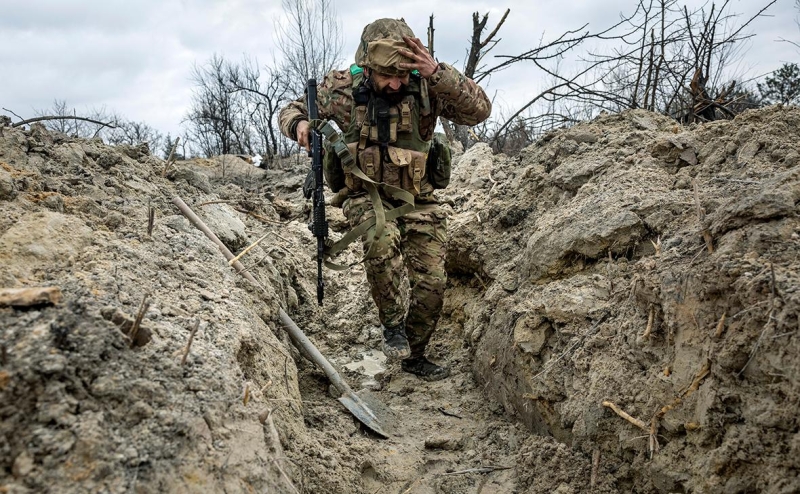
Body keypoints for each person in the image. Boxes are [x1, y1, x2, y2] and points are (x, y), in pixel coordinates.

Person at [279, 18, 491, 381]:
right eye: (387, 76)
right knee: (380, 237)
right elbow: (290, 110)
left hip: (418, 199)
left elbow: (479, 110)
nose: (396, 83)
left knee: (433, 281)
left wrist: (438, 73)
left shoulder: (428, 85)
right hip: (364, 194)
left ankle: (415, 352)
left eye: (402, 75)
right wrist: (298, 123)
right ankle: (392, 325)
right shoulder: (342, 90)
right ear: (368, 67)